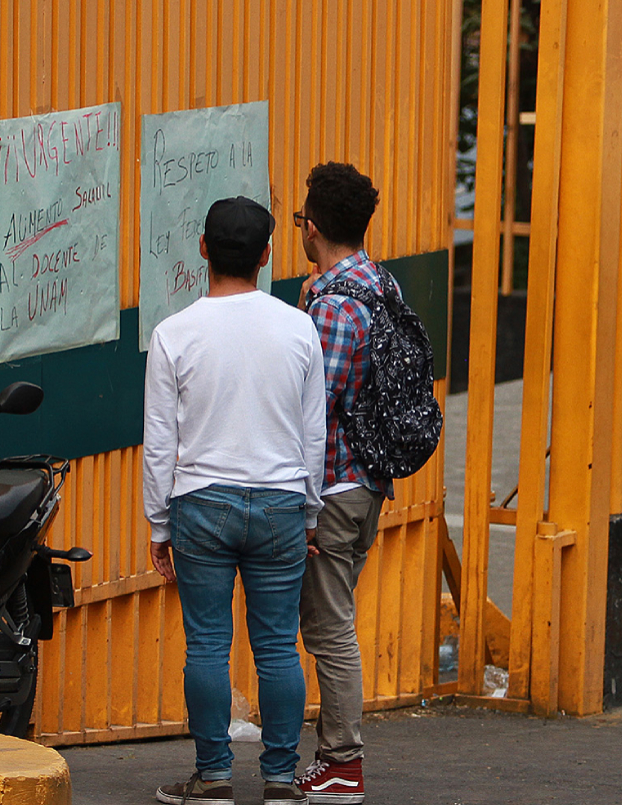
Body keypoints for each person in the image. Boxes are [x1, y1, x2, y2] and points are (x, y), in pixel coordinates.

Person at [145, 197, 325, 804]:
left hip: (200, 503)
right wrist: (310, 512)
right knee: (277, 646)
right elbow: (313, 435)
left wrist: (159, 523)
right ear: (266, 255)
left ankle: (214, 777)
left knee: (206, 645)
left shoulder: (173, 334)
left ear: (203, 249)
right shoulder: (298, 328)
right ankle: (280, 779)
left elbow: (160, 442)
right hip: (280, 503)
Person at [290, 162, 393, 805]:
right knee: (336, 623)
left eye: (301, 219)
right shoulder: (379, 284)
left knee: (330, 630)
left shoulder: (334, 308)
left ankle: (341, 766)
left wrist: (301, 507)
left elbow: (314, 412)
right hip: (369, 482)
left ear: (314, 228)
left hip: (332, 488)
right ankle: (335, 763)